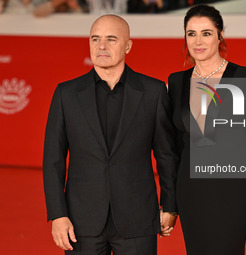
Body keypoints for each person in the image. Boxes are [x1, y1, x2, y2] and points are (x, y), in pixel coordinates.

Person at [43, 14, 178, 255]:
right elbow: (53, 160)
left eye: (111, 39)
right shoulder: (66, 93)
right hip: (81, 221)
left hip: (137, 217)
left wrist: (170, 205)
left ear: (128, 45)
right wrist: (58, 215)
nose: (101, 46)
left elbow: (166, 154)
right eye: (95, 39)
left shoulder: (153, 92)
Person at [167, 4, 246, 255]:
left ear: (220, 34)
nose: (198, 41)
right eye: (191, 33)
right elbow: (173, 149)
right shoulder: (176, 82)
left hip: (232, 187)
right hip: (191, 189)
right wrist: (170, 203)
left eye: (206, 33)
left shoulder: (245, 77)